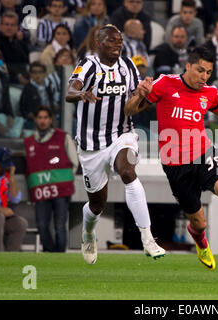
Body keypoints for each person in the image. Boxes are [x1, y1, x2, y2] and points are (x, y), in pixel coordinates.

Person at [124, 45, 218, 271]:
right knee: (199, 223)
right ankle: (200, 239)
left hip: (204, 153)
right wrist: (140, 93)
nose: (204, 77)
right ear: (188, 66)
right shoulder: (165, 84)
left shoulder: (209, 92)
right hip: (175, 164)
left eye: (208, 72)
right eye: (200, 70)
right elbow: (130, 111)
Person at [65, 24, 166, 264]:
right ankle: (89, 233)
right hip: (91, 144)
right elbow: (70, 90)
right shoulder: (88, 65)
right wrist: (81, 95)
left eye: (119, 41)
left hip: (122, 134)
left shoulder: (129, 66)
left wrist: (144, 95)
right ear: (99, 43)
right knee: (97, 205)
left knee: (128, 171)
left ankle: (148, 238)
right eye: (111, 41)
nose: (117, 44)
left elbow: (135, 105)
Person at [24, 106, 78, 252]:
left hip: (60, 190)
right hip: (41, 191)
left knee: (60, 225)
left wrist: (64, 180)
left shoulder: (63, 137)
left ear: (51, 119)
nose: (42, 121)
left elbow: (74, 162)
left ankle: (60, 255)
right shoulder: (28, 142)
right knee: (41, 224)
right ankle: (48, 252)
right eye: (40, 118)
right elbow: (29, 168)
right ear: (35, 119)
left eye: (45, 117)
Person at [0, 10, 29, 85]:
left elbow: (26, 64)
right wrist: (17, 75)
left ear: (17, 27)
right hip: (1, 81)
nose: (9, 28)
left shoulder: (22, 45)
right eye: (6, 24)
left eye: (12, 25)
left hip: (22, 82)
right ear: (0, 26)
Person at [20, 61, 58, 130]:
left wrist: (51, 117)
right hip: (33, 120)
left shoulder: (49, 87)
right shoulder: (27, 89)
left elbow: (52, 105)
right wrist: (39, 119)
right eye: (34, 72)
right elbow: (24, 110)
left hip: (49, 117)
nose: (37, 75)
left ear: (45, 74)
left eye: (40, 72)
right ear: (30, 74)